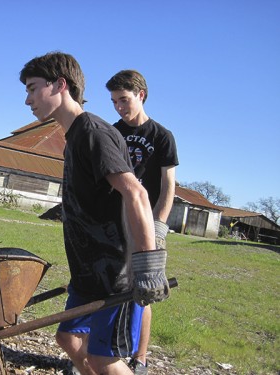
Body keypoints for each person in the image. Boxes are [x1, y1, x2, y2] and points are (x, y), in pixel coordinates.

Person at [19, 52, 170, 375]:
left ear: (60, 85)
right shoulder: (74, 135)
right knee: (69, 341)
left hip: (115, 273)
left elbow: (136, 192)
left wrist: (148, 266)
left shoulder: (93, 132)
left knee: (104, 358)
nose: (28, 100)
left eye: (33, 88)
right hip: (89, 272)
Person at [105, 70, 179, 374]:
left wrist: (158, 227)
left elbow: (168, 186)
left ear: (141, 95)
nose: (119, 107)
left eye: (124, 99)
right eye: (114, 101)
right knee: (107, 284)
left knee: (144, 289)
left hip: (145, 221)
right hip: (113, 219)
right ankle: (102, 351)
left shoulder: (162, 136)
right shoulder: (111, 132)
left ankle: (140, 357)